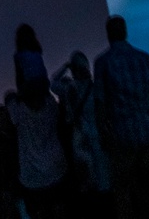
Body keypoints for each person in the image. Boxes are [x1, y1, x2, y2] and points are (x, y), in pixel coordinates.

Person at [93, 15, 149, 219]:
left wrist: (103, 132)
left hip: (121, 134)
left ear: (108, 34)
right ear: (125, 31)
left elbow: (99, 102)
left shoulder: (102, 62)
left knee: (123, 189)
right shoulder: (143, 58)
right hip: (148, 128)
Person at [51, 51, 108, 206]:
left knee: (85, 178)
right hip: (96, 135)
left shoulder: (69, 88)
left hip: (79, 137)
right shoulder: (95, 87)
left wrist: (66, 66)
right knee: (102, 177)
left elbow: (52, 82)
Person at [5, 78, 67, 219]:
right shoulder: (51, 106)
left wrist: (18, 96)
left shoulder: (19, 112)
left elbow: (9, 96)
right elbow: (55, 88)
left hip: (32, 177)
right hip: (56, 168)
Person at [14, 26, 49, 96]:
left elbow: (19, 75)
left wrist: (20, 92)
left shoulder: (19, 55)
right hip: (44, 82)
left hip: (31, 84)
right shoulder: (37, 52)